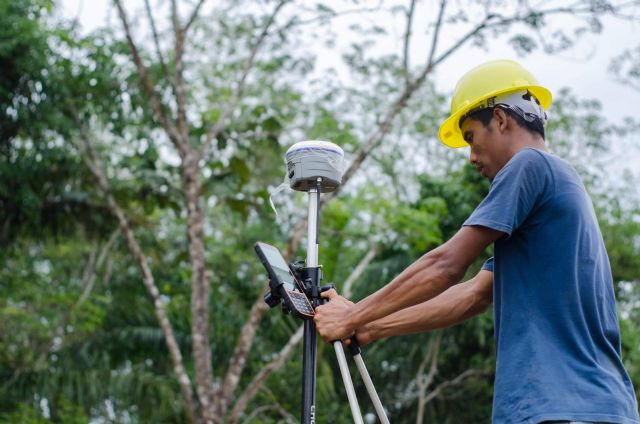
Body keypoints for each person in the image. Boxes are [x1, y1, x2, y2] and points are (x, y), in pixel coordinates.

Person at [313, 60, 640, 424]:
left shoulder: (528, 164)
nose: (471, 156)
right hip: (594, 406)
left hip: (558, 408)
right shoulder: (558, 185)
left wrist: (352, 315)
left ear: (500, 119)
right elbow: (473, 295)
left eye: (471, 137)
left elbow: (446, 264)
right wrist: (372, 325)